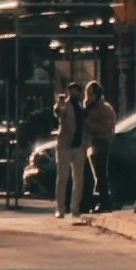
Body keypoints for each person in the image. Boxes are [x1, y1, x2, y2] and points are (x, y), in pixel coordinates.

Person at [83, 73, 116, 214]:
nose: (88, 97)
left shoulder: (104, 109)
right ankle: (97, 201)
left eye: (90, 94)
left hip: (102, 143)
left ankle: (105, 202)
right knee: (96, 175)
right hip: (92, 144)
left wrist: (90, 124)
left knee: (101, 174)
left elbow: (107, 127)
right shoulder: (88, 108)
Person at [53, 82, 84, 219]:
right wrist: (58, 104)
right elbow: (59, 113)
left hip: (79, 147)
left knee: (78, 179)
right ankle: (60, 208)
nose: (74, 93)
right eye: (71, 91)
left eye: (76, 91)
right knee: (63, 178)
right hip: (65, 146)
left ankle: (75, 208)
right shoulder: (66, 105)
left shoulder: (82, 107)